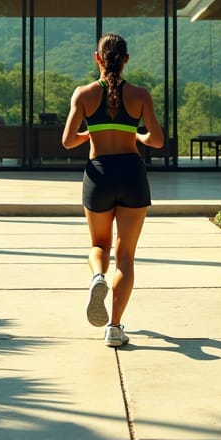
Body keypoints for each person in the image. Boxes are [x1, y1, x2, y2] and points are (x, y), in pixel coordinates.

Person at [62, 32, 164, 346]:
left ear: (97, 58)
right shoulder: (141, 94)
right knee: (127, 256)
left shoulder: (83, 94)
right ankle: (115, 328)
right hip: (132, 174)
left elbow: (67, 141)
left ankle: (97, 278)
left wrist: (93, 131)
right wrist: (136, 136)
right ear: (126, 60)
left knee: (100, 246)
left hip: (99, 175)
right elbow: (157, 141)